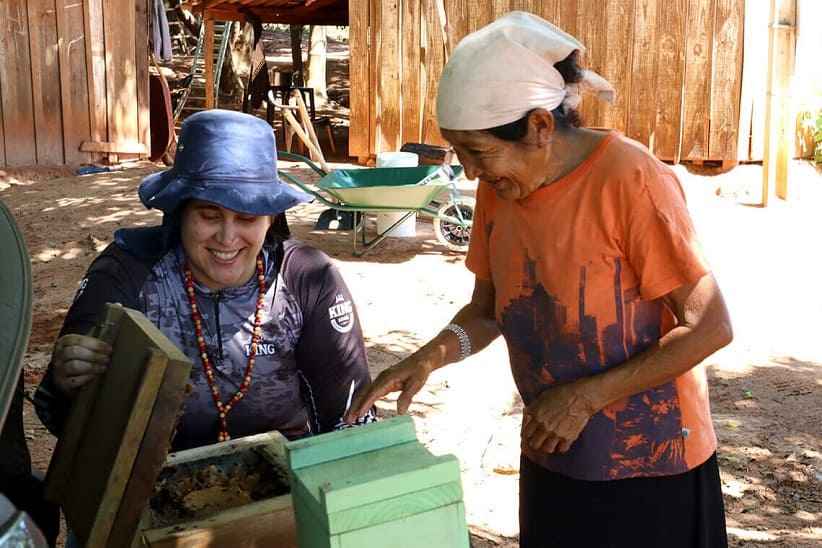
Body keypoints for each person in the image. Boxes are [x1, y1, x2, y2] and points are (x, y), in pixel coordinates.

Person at [344, 11, 732, 548]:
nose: (472, 172)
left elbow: (709, 326)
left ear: (540, 127)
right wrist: (425, 359)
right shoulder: (498, 188)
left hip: (652, 466)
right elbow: (488, 311)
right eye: (461, 152)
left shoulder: (632, 179)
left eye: (479, 152)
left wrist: (584, 398)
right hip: (554, 450)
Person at [35, 109, 375, 455]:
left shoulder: (306, 280)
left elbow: (351, 420)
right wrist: (70, 384)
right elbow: (65, 423)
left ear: (272, 219)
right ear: (180, 211)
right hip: (154, 487)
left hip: (286, 486)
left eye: (247, 217)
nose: (227, 238)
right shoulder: (126, 274)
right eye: (209, 215)